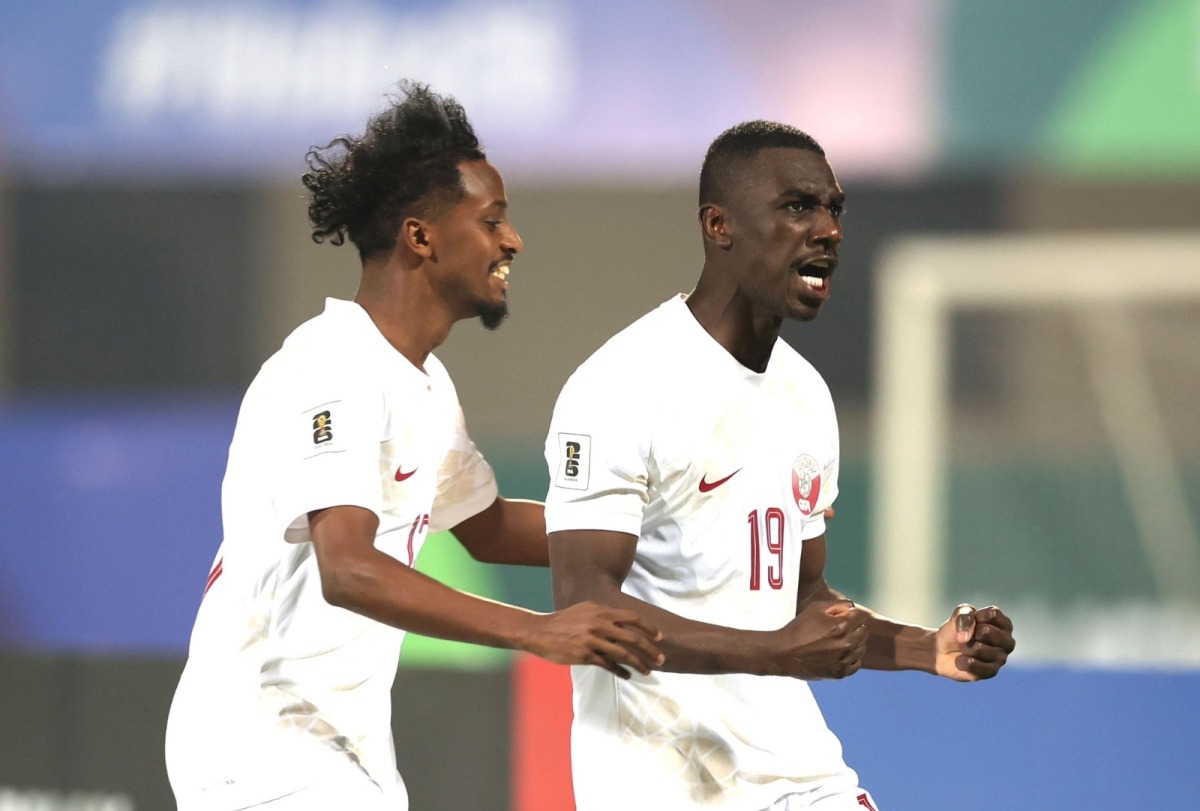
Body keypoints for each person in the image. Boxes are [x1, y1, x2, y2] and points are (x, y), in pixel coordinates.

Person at [164, 82, 664, 811]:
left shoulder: (425, 387)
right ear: (420, 237)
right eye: (491, 220)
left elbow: (489, 529)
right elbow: (349, 567)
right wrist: (539, 631)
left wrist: (666, 525)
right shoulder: (331, 364)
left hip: (343, 754)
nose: (512, 240)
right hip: (261, 745)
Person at [543, 121, 1016, 810]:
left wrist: (928, 647)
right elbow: (587, 607)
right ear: (719, 225)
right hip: (661, 779)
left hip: (798, 776)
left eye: (834, 209)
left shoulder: (805, 395)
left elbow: (801, 597)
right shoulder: (621, 385)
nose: (828, 230)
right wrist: (775, 652)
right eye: (798, 207)